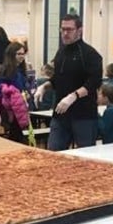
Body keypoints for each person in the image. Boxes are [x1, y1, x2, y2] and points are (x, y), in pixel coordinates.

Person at [35, 15, 103, 151]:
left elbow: (94, 82)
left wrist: (74, 96)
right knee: (54, 153)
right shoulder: (61, 52)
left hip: (83, 115)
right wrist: (44, 86)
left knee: (86, 156)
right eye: (63, 29)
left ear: (79, 30)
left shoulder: (90, 54)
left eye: (69, 29)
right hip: (61, 114)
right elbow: (57, 79)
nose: (65, 33)